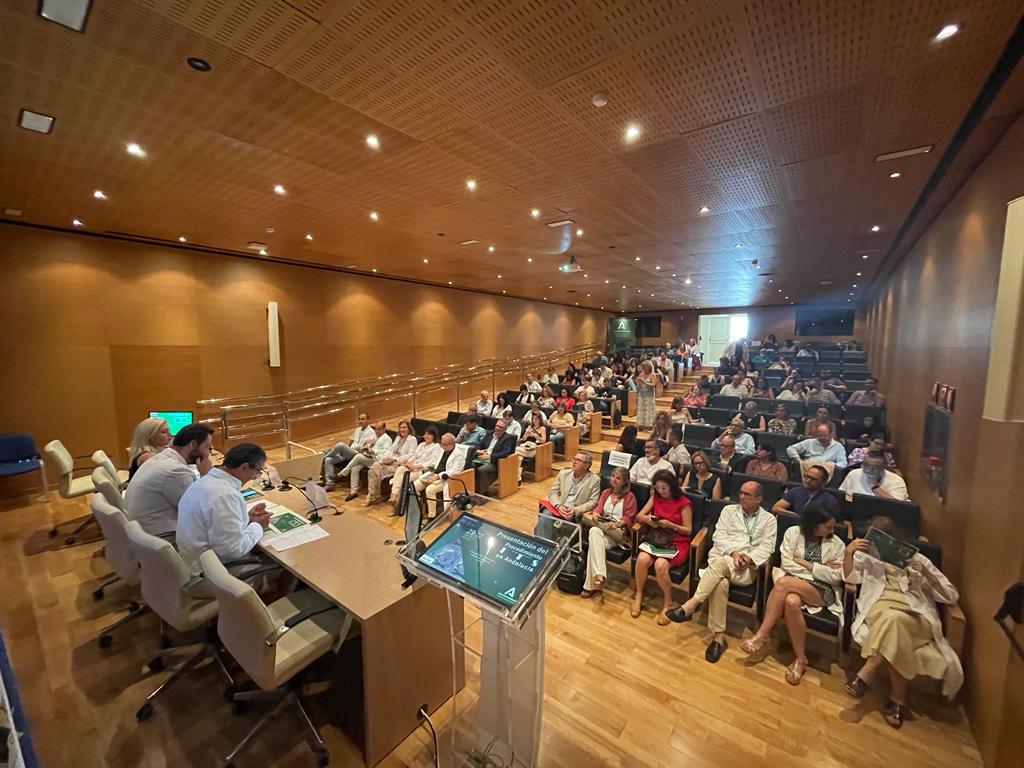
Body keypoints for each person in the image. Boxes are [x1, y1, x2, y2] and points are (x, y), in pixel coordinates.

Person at [843, 517, 963, 727]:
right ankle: (898, 699)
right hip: (880, 609)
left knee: (895, 621)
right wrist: (849, 552)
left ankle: (867, 672)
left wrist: (924, 571)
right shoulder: (869, 558)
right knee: (893, 622)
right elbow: (850, 577)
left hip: (915, 615)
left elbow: (950, 595)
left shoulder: (919, 561)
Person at [666, 481, 777, 662]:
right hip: (724, 559)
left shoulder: (769, 520)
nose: (741, 497)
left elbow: (767, 547)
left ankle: (692, 604)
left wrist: (747, 558)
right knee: (720, 582)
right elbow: (718, 536)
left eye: (747, 495)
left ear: (759, 499)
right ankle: (718, 638)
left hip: (746, 569)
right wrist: (733, 554)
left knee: (720, 565)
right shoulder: (728, 511)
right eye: (740, 492)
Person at [740, 502, 845, 684]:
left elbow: (835, 577)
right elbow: (787, 563)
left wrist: (807, 564)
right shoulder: (793, 533)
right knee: (791, 602)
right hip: (794, 585)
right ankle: (800, 659)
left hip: (822, 590)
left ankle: (761, 635)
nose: (831, 530)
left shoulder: (837, 544)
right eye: (827, 527)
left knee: (783, 583)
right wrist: (820, 568)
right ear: (814, 524)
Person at [176, 443, 279, 590]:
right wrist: (258, 526)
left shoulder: (205, 481)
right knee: (283, 570)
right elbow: (233, 550)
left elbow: (215, 523)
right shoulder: (225, 494)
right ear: (244, 467)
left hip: (193, 560)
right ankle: (257, 610)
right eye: (257, 471)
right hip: (207, 573)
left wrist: (246, 518)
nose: (256, 476)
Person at [125, 423, 215, 536]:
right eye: (207, 447)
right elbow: (200, 512)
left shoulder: (160, 458)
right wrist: (206, 476)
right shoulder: (176, 471)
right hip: (160, 537)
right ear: (193, 444)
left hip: (142, 533)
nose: (208, 453)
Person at [631, 470, 693, 624]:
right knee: (642, 560)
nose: (661, 491)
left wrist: (672, 525)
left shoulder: (684, 503)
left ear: (672, 486)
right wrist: (648, 519)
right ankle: (639, 594)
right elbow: (639, 516)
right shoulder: (655, 497)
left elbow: (688, 530)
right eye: (658, 488)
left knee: (660, 565)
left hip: (676, 541)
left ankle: (668, 602)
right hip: (657, 538)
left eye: (664, 488)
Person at [580, 467, 638, 599]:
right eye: (612, 476)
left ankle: (591, 583)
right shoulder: (606, 493)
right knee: (594, 532)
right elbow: (599, 509)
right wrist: (595, 514)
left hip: (618, 533)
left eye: (618, 478)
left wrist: (619, 523)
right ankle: (596, 579)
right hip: (603, 530)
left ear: (624, 482)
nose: (614, 480)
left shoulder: (630, 497)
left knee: (592, 526)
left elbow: (630, 516)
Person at [535, 452, 601, 539]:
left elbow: (593, 502)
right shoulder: (564, 474)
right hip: (558, 508)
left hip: (574, 513)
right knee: (545, 515)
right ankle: (542, 545)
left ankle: (549, 546)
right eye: (574, 459)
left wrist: (575, 510)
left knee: (555, 530)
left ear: (586, 465)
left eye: (578, 460)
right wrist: (558, 506)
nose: (574, 462)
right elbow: (553, 492)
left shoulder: (595, 480)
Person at [415, 433, 471, 518]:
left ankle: (432, 516)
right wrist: (426, 467)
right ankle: (418, 510)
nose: (441, 446)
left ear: (451, 445)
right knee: (415, 485)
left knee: (430, 490)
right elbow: (435, 462)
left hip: (446, 479)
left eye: (443, 445)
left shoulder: (459, 454)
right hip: (433, 474)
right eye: (441, 443)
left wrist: (438, 476)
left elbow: (455, 471)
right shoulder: (441, 450)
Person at [334, 421, 393, 499]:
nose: (376, 431)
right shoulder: (375, 436)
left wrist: (373, 451)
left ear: (384, 429)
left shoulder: (387, 439)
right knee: (355, 468)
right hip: (368, 457)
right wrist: (368, 447)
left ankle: (344, 472)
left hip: (377, 460)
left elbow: (385, 453)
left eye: (379, 429)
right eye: (375, 429)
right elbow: (364, 445)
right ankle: (353, 492)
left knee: (358, 457)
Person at [363, 419, 417, 506]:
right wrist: (386, 458)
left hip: (399, 464)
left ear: (409, 429)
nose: (402, 429)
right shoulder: (398, 438)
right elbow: (390, 450)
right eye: (400, 427)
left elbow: (410, 455)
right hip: (390, 461)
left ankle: (373, 495)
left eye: (404, 427)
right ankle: (373, 494)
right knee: (374, 467)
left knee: (375, 470)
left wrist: (395, 460)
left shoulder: (412, 439)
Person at [386, 425, 442, 505]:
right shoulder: (421, 444)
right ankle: (393, 497)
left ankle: (397, 503)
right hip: (412, 467)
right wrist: (409, 462)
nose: (426, 436)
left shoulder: (436, 447)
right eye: (425, 434)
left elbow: (433, 463)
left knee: (403, 479)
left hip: (422, 470)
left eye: (429, 434)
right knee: (400, 469)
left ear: (434, 436)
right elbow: (413, 456)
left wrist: (416, 466)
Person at [322, 413, 375, 483]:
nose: (360, 421)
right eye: (359, 419)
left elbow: (363, 448)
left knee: (340, 445)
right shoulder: (357, 429)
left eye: (363, 419)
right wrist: (346, 449)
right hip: (349, 453)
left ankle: (325, 456)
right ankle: (330, 483)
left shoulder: (371, 432)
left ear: (367, 420)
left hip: (357, 454)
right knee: (328, 460)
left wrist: (347, 449)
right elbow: (351, 441)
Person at [772, 464, 840, 517]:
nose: (808, 480)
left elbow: (829, 523)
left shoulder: (829, 500)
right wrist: (796, 517)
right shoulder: (795, 491)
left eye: (813, 479)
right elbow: (776, 508)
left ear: (823, 482)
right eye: (806, 476)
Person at [839, 452, 909, 500]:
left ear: (883, 467)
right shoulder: (854, 474)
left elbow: (897, 506)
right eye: (866, 465)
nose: (869, 470)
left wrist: (875, 487)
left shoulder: (896, 480)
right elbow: (841, 495)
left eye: (875, 467)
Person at [473, 420, 517, 494]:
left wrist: (489, 457)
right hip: (482, 458)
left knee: (481, 470)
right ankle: (473, 488)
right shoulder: (489, 434)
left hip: (495, 461)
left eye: (501, 427)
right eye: (497, 426)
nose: (498, 428)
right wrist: (478, 451)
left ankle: (483, 492)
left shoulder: (508, 438)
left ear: (505, 429)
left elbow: (505, 453)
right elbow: (479, 444)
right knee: (470, 465)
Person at [515, 412, 548, 480]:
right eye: (533, 419)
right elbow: (523, 439)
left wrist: (534, 435)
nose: (534, 420)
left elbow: (543, 441)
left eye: (536, 419)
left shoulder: (542, 428)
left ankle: (516, 477)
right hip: (525, 447)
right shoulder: (530, 427)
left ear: (540, 419)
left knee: (515, 450)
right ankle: (518, 478)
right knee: (519, 458)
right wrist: (526, 434)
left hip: (534, 449)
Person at [636, 361, 656, 430]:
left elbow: (653, 385)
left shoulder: (652, 375)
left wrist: (644, 382)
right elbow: (638, 386)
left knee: (648, 411)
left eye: (645, 367)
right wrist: (638, 384)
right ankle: (641, 425)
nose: (643, 369)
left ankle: (649, 426)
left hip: (649, 395)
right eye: (643, 367)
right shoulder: (641, 374)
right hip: (641, 394)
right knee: (641, 410)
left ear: (649, 367)